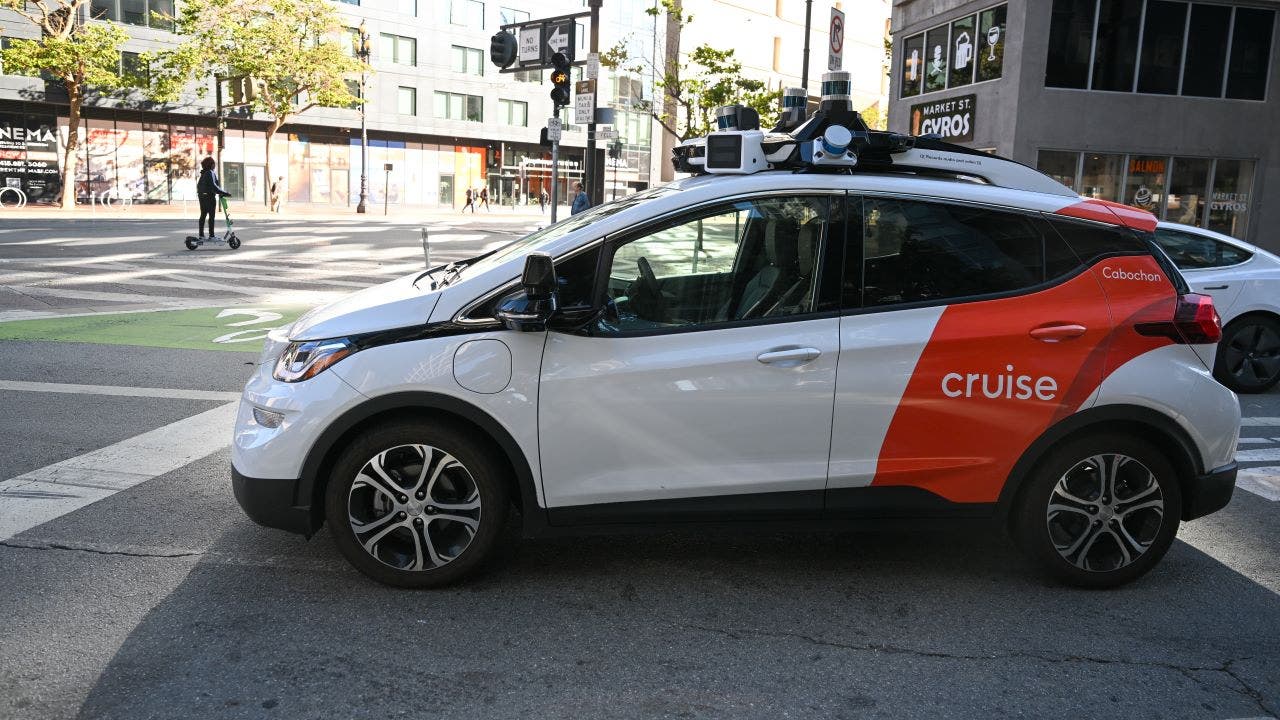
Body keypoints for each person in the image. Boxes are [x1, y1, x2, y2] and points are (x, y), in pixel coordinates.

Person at [196, 157, 230, 238]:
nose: (214, 165)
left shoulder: (204, 173)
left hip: (202, 196)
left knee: (203, 215)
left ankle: (201, 235)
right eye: (213, 163)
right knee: (211, 216)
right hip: (209, 197)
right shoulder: (209, 173)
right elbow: (214, 186)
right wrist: (224, 193)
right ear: (211, 164)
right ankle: (211, 235)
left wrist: (220, 192)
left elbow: (202, 186)